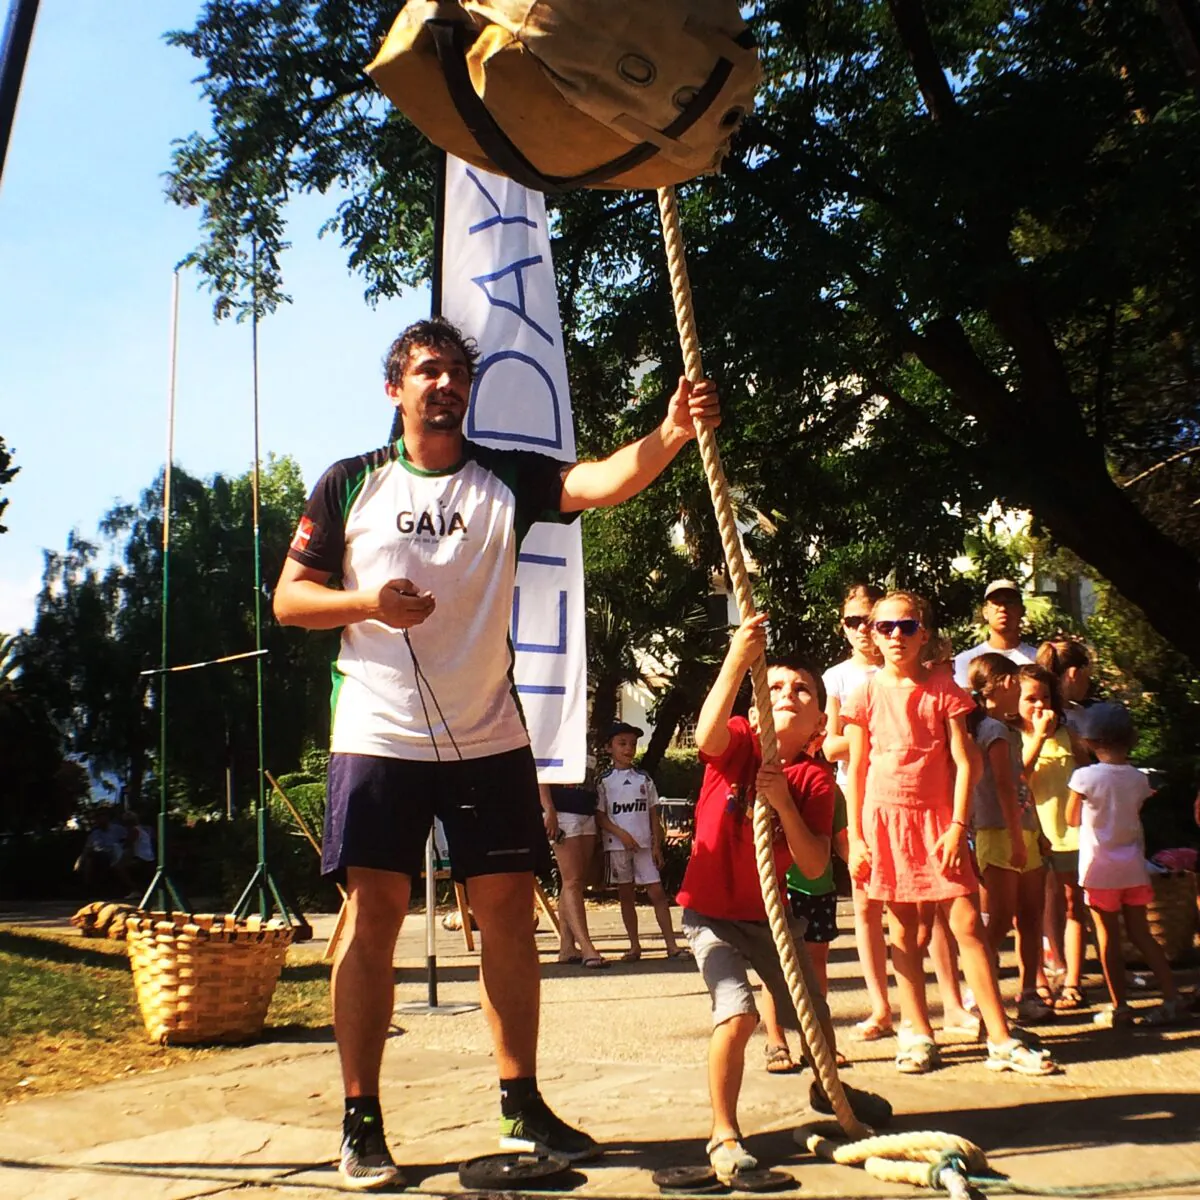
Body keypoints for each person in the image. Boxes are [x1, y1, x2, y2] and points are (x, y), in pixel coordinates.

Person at [273, 316, 721, 1189]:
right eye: (426, 371)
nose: (443, 385)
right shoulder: (347, 483)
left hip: (489, 734)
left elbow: (596, 483)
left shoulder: (506, 476)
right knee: (374, 916)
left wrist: (670, 431)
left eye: (455, 373)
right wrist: (366, 601)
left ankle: (523, 1102)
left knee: (510, 912)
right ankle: (360, 1121)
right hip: (378, 731)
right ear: (395, 388)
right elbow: (291, 599)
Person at [679, 613, 889, 1183]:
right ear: (754, 706)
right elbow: (705, 736)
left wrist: (785, 803)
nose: (789, 694)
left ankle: (829, 1090)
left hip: (768, 916)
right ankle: (724, 1131)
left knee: (812, 1008)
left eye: (802, 689)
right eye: (774, 686)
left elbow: (817, 863)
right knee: (738, 1012)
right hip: (712, 915)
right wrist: (738, 660)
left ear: (821, 719)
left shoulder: (816, 780)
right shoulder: (742, 742)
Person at [844, 590, 1057, 1076]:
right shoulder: (865, 692)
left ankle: (1000, 1038)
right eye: (885, 627)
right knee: (904, 930)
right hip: (885, 822)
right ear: (874, 635)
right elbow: (856, 769)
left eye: (907, 626)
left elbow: (966, 762)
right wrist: (857, 837)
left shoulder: (945, 690)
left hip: (939, 821)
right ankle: (916, 1031)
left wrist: (957, 823)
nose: (896, 636)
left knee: (967, 925)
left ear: (924, 632)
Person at [1066, 702, 1183, 1027]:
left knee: (1107, 939)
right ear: (1130, 739)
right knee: (1143, 934)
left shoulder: (1084, 777)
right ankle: (1172, 997)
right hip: (1133, 868)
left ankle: (1120, 1007)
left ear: (1088, 741)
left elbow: (1070, 818)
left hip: (1099, 871)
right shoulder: (1137, 778)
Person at [821, 583, 893, 1041]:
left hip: (910, 794)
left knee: (925, 905)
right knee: (866, 903)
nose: (863, 629)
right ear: (842, 627)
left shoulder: (908, 668)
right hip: (856, 796)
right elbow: (830, 746)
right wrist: (884, 731)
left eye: (871, 619)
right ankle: (881, 1007)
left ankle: (952, 999)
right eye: (853, 621)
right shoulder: (838, 678)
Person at [966, 655, 1052, 1023]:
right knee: (1000, 918)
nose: (1019, 691)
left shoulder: (1007, 730)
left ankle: (1029, 990)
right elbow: (1002, 787)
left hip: (1024, 829)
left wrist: (1038, 832)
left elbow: (1019, 785)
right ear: (1002, 684)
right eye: (1016, 683)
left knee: (1031, 914)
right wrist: (1017, 838)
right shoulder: (991, 731)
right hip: (1001, 833)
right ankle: (982, 992)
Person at [759, 786, 851, 1073]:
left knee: (817, 962)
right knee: (777, 966)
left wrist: (861, 867)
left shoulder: (829, 790)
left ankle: (815, 1040)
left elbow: (841, 839)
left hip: (820, 887)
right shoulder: (773, 784)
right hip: (785, 888)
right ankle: (775, 1040)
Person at [1019, 663, 1089, 1013]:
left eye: (1045, 697)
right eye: (1030, 698)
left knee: (1074, 905)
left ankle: (1073, 980)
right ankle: (1037, 983)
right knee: (1030, 912)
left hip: (1069, 834)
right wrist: (1038, 737)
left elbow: (1084, 773)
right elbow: (1018, 776)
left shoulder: (1068, 732)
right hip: (1032, 835)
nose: (1039, 705)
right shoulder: (1012, 736)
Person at [595, 721, 686, 962]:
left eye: (632, 744)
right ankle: (634, 946)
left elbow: (653, 813)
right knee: (626, 895)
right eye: (622, 743)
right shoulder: (604, 781)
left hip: (645, 846)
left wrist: (657, 844)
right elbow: (600, 816)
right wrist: (621, 834)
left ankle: (672, 945)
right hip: (617, 846)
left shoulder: (643, 779)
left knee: (657, 893)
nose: (628, 749)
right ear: (609, 748)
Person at [540, 780, 606, 968]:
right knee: (573, 881)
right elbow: (542, 771)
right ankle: (586, 947)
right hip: (563, 812)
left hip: (586, 809)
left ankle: (567, 947)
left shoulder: (591, 748)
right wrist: (549, 809)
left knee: (576, 880)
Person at [952, 580, 1038, 688]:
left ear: (1021, 610)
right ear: (985, 612)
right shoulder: (966, 660)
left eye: (1009, 602)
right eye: (996, 603)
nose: (1003, 609)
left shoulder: (1037, 658)